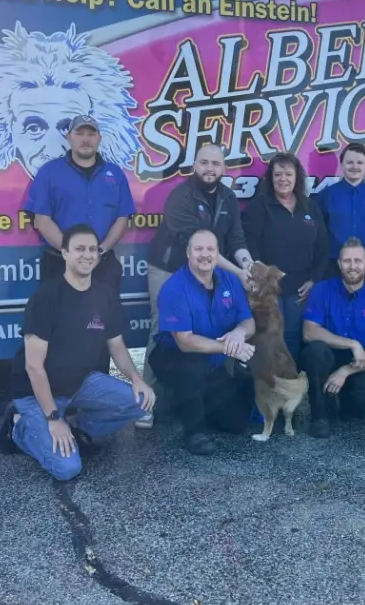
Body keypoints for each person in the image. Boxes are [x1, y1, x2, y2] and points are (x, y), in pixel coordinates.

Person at [0, 224, 155, 481]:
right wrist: (53, 418)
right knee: (67, 469)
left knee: (142, 401)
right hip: (36, 394)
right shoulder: (46, 298)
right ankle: (20, 429)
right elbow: (34, 366)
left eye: (92, 249)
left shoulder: (105, 296)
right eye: (79, 249)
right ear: (64, 253)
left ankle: (77, 428)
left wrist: (137, 380)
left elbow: (117, 347)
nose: (87, 254)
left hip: (79, 384)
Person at [141, 143, 255, 428]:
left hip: (209, 269)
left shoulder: (228, 197)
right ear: (195, 166)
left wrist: (249, 267)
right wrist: (239, 274)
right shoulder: (180, 196)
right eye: (204, 163)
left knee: (216, 324)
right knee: (163, 329)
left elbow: (237, 238)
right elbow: (196, 244)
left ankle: (209, 396)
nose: (209, 169)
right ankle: (146, 403)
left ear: (224, 168)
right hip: (169, 269)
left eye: (215, 164)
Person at [147, 229, 257, 456]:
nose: (204, 254)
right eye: (198, 249)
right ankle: (193, 432)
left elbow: (248, 321)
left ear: (218, 254)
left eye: (210, 249)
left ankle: (187, 405)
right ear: (188, 253)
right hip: (174, 355)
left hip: (213, 358)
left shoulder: (230, 280)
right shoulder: (174, 287)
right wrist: (230, 347)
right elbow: (185, 343)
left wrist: (238, 334)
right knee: (192, 366)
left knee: (235, 424)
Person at [22, 114, 135, 296]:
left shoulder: (115, 174)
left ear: (99, 138)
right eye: (79, 133)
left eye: (91, 134)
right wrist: (73, 253)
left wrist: (98, 251)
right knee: (58, 321)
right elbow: (42, 220)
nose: (85, 139)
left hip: (102, 264)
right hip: (59, 263)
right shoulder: (49, 172)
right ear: (69, 137)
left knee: (106, 321)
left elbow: (122, 219)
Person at [242, 152, 329, 365]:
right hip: (269, 288)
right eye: (278, 174)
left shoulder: (310, 207)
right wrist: (263, 280)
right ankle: (268, 392)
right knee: (269, 339)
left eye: (288, 174)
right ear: (270, 178)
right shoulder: (259, 206)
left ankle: (292, 390)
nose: (283, 179)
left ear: (297, 177)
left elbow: (323, 247)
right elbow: (250, 247)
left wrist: (313, 280)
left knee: (292, 337)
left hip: (300, 288)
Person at [300, 237, 365, 438]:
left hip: (355, 364)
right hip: (326, 357)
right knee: (315, 352)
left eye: (358, 261)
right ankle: (320, 415)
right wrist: (352, 343)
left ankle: (346, 401)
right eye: (347, 261)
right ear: (339, 264)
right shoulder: (322, 290)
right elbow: (308, 332)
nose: (352, 266)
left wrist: (345, 371)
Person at [314, 144, 365, 284]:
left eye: (359, 162)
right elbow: (317, 232)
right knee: (334, 305)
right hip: (333, 265)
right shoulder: (326, 196)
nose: (355, 166)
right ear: (341, 164)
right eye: (350, 162)